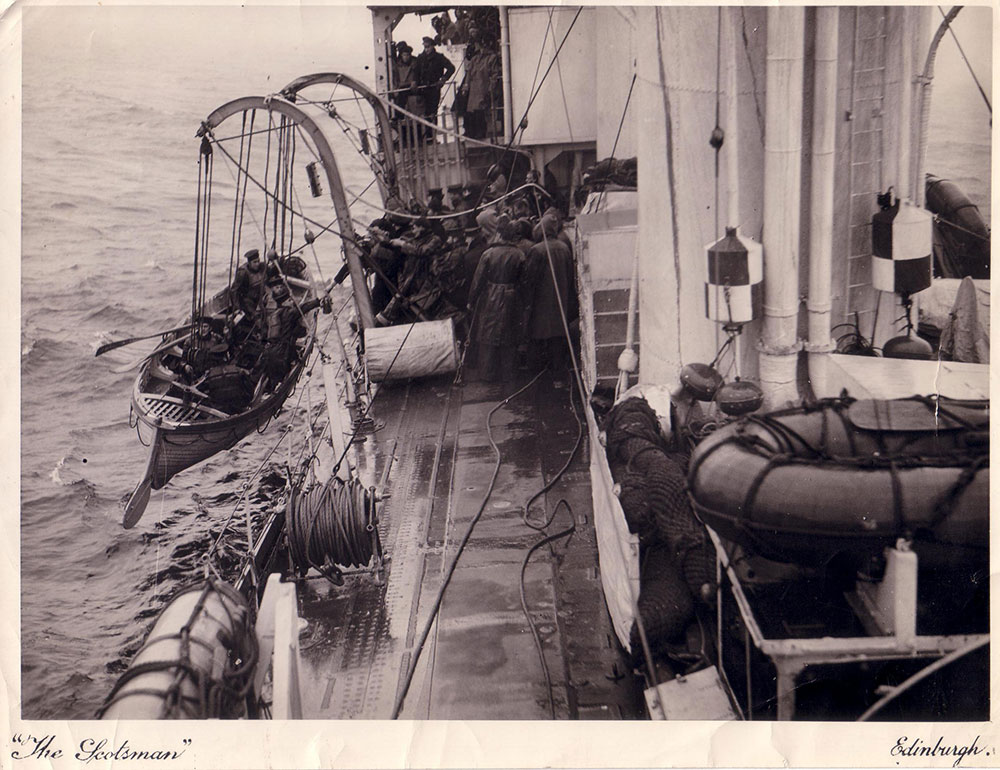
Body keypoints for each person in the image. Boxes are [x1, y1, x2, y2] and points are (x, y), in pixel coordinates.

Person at [466, 216, 528, 382]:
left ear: (499, 234)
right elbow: (524, 281)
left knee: (487, 336)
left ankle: (487, 374)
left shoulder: (488, 254)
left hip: (490, 296)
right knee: (510, 336)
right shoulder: (519, 254)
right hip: (512, 296)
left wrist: (471, 301)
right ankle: (510, 373)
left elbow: (478, 280)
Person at [523, 215, 577, 373]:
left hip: (541, 302)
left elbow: (529, 279)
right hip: (561, 298)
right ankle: (558, 376)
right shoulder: (565, 248)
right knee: (558, 339)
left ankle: (537, 374)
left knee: (537, 337)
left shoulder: (537, 250)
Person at [414, 36, 455, 124]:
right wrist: (415, 83)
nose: (426, 49)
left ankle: (432, 135)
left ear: (433, 46)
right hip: (422, 89)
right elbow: (416, 72)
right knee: (423, 113)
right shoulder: (420, 58)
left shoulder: (439, 58)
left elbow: (451, 68)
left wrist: (443, 79)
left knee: (433, 113)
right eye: (425, 47)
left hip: (434, 88)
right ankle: (426, 135)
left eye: (428, 47)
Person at [231, 248, 267, 318]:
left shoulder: (263, 267)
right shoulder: (243, 273)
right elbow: (234, 291)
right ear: (249, 263)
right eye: (254, 262)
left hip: (263, 296)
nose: (257, 264)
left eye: (258, 261)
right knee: (255, 316)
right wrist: (237, 307)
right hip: (249, 300)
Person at [391, 41, 423, 119]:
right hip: (402, 86)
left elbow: (418, 73)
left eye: (407, 55)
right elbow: (396, 76)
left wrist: (414, 82)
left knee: (401, 96)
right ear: (401, 55)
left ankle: (399, 116)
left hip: (412, 86)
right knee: (397, 97)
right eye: (404, 55)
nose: (406, 57)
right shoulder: (398, 64)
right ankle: (398, 116)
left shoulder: (415, 63)